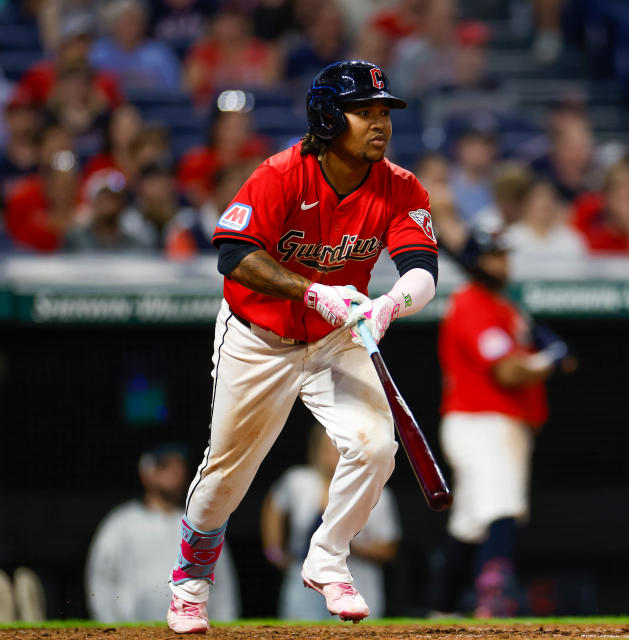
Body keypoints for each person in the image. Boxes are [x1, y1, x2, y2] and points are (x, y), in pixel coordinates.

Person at [163, 60, 438, 633]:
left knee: (375, 446)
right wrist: (314, 292)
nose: (380, 123)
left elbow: (422, 270)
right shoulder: (281, 173)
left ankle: (328, 557)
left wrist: (389, 305)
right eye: (366, 112)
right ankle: (190, 582)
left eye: (384, 112)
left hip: (337, 337)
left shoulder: (401, 185)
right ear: (329, 117)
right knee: (229, 473)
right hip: (258, 338)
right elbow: (234, 255)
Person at [432, 227, 574, 618]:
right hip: (482, 421)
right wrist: (549, 360)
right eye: (494, 256)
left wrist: (548, 348)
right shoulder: (472, 304)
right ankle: (492, 602)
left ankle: (442, 609)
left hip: (497, 424)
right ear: (479, 261)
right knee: (501, 509)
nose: (503, 263)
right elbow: (508, 373)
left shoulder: (505, 308)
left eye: (505, 255)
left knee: (471, 524)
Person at [87, 444, 239, 622]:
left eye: (179, 465)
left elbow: (223, 586)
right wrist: (109, 625)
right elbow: (100, 580)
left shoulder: (202, 526)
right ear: (147, 473)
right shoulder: (120, 523)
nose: (175, 472)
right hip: (131, 630)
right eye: (166, 465)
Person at [261, 424, 400, 619]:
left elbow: (388, 549)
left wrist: (339, 543)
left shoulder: (377, 492)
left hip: (356, 581)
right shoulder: (300, 481)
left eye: (342, 447)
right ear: (317, 449)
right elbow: (273, 504)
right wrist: (273, 551)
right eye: (330, 446)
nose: (336, 453)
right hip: (304, 582)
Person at [89, 0, 181, 91]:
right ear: (113, 25)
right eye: (125, 23)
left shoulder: (160, 54)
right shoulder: (98, 53)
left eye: (134, 22)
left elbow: (173, 89)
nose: (130, 28)